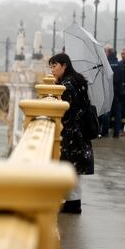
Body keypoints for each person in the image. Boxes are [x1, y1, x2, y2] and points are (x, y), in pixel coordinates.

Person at [49, 53, 94, 214]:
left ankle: (72, 204)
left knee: (68, 165)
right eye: (51, 67)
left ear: (64, 65)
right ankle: (73, 202)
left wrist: (55, 92)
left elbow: (65, 109)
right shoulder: (78, 80)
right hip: (80, 131)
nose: (52, 70)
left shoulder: (67, 85)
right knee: (74, 168)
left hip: (71, 132)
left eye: (55, 66)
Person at [100, 46, 125, 137]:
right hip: (118, 93)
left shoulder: (106, 64)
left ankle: (105, 132)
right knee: (118, 113)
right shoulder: (120, 65)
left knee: (107, 112)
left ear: (109, 53)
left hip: (108, 92)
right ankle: (116, 133)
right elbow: (124, 79)